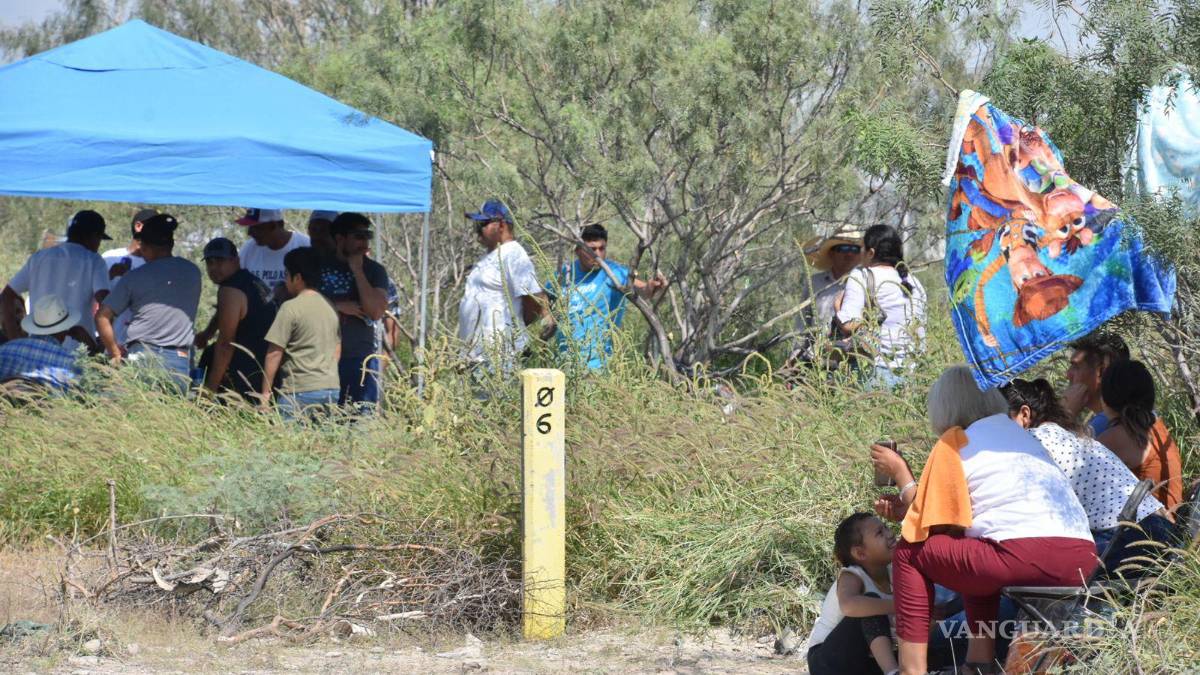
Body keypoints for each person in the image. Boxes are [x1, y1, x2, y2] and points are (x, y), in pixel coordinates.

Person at [871, 365, 1095, 675]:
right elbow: (961, 524)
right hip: (1082, 558)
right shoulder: (1018, 433)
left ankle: (912, 670)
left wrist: (900, 474)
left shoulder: (955, 441)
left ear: (944, 408)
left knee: (908, 554)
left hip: (1025, 556)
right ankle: (978, 663)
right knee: (972, 548)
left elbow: (928, 530)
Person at [1001, 377, 1175, 574]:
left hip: (1128, 538)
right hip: (1158, 531)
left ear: (1024, 414)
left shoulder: (1033, 442)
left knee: (1035, 571)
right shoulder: (1067, 434)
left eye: (998, 423)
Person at [96, 214, 202, 395]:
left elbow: (102, 316)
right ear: (171, 244)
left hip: (142, 359)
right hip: (180, 362)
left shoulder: (135, 277)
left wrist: (114, 353)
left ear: (145, 246)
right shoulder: (193, 272)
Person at [545, 223, 666, 370]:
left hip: (600, 368)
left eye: (602, 249)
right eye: (592, 249)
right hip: (563, 365)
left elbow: (643, 290)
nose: (598, 254)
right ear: (577, 249)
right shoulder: (565, 274)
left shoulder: (614, 273)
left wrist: (652, 286)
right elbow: (544, 299)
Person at [458, 199, 552, 373]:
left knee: (494, 400)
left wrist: (515, 330)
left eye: (483, 224)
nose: (478, 229)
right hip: (476, 357)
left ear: (500, 225)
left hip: (499, 358)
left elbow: (534, 301)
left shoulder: (514, 254)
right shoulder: (492, 256)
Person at [0, 209, 112, 352]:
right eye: (99, 239)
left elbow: (7, 295)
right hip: (78, 349)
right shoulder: (94, 260)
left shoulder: (39, 258)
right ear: (93, 236)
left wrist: (14, 338)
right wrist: (107, 343)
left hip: (38, 346)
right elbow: (105, 302)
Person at [805, 512, 900, 675]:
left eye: (885, 527)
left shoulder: (894, 572)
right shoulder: (852, 575)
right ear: (860, 553)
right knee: (868, 605)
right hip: (828, 661)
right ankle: (893, 672)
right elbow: (849, 606)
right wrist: (899, 605)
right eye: (880, 533)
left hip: (864, 661)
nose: (890, 534)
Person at [834, 224, 926, 388]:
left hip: (874, 370)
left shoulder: (861, 276)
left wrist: (837, 308)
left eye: (862, 249)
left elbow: (848, 324)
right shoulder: (915, 283)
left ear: (871, 253)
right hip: (912, 372)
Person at [316, 212, 390, 410]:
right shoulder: (316, 265)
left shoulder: (375, 270)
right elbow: (298, 305)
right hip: (319, 358)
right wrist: (336, 306)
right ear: (340, 238)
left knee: (359, 426)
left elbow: (375, 311)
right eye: (358, 236)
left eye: (368, 236)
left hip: (359, 359)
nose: (364, 242)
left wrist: (357, 271)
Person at [262, 247, 340, 421]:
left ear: (297, 278)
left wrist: (265, 394)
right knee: (322, 446)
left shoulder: (290, 308)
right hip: (330, 389)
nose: (285, 279)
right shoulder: (329, 306)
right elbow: (337, 347)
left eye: (286, 274)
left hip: (299, 391)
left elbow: (274, 352)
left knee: (291, 445)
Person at [1096, 360, 1184, 513]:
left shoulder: (1117, 437)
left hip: (1150, 531)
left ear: (1106, 397)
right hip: (1169, 524)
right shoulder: (1155, 426)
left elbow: (1075, 476)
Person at [196, 237, 277, 400]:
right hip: (266, 370)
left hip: (246, 375)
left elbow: (226, 345)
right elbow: (226, 313)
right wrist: (207, 333)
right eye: (209, 262)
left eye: (220, 261)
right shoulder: (250, 281)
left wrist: (208, 391)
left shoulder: (230, 290)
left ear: (236, 260)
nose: (213, 268)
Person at [792, 231, 864, 363]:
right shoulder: (815, 283)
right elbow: (801, 325)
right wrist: (794, 359)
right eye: (843, 248)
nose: (850, 254)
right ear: (832, 253)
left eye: (855, 249)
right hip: (813, 361)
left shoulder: (866, 285)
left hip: (851, 363)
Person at [0, 294, 85, 393]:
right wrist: (91, 346)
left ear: (34, 324)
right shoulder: (70, 363)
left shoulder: (5, 350)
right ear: (66, 329)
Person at [100, 208, 158, 350]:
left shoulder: (157, 264)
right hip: (107, 341)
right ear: (138, 226)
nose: (159, 232)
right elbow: (94, 295)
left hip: (141, 344)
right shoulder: (109, 257)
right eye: (156, 226)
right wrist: (110, 275)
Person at [233, 208, 311, 301]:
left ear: (274, 225)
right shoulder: (248, 249)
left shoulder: (305, 245)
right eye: (249, 227)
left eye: (256, 227)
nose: (250, 233)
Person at [1062, 332, 1130, 437]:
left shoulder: (1106, 426)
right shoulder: (1134, 417)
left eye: (1076, 367)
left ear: (1101, 372)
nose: (1067, 375)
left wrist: (1065, 413)